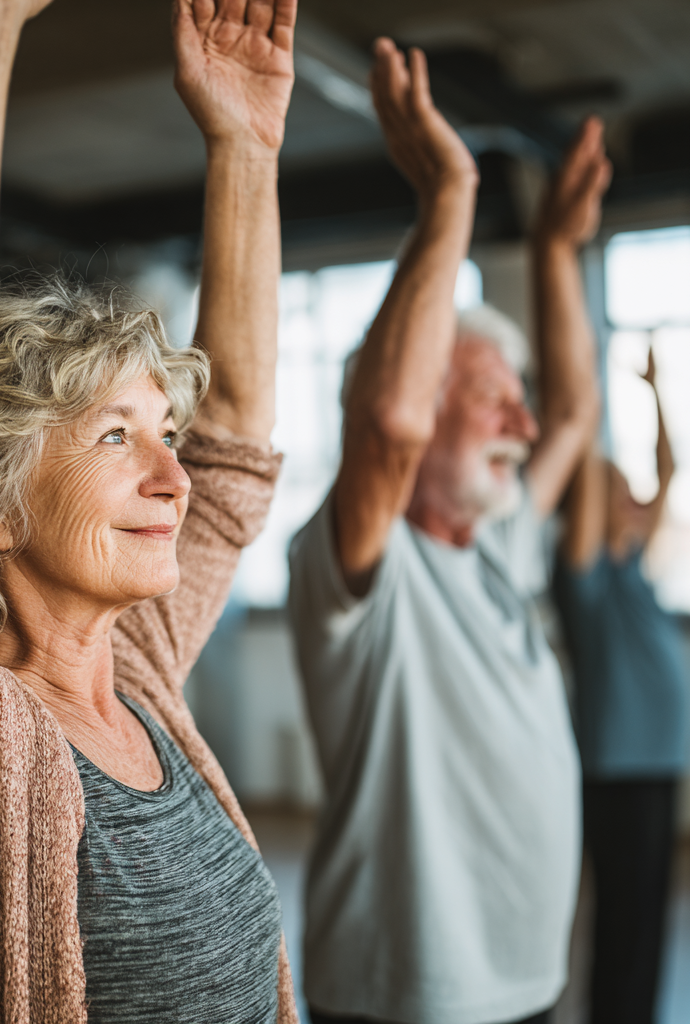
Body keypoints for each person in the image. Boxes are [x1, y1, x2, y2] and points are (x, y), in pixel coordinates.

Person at [0, 0, 300, 1020]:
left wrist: (245, 148)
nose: (175, 476)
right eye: (115, 435)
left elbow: (238, 448)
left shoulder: (141, 673)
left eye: (165, 433)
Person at [287, 37, 612, 1024]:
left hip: (529, 982)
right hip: (412, 999)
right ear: (424, 409)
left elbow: (573, 417)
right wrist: (450, 199)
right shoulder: (360, 569)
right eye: (489, 399)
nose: (521, 424)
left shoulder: (499, 545)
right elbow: (382, 423)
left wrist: (555, 251)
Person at [553, 346, 688, 1024]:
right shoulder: (583, 574)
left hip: (657, 757)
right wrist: (588, 413)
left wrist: (658, 391)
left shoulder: (629, 559)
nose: (636, 495)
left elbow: (669, 470)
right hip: (619, 762)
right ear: (589, 506)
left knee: (651, 910)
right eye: (616, 489)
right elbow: (590, 486)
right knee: (624, 912)